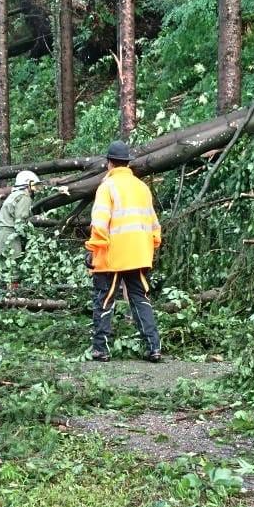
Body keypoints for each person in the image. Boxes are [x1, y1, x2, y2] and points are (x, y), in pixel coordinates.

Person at [85, 141, 162, 362]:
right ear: (127, 163)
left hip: (112, 255)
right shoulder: (142, 187)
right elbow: (154, 225)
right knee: (139, 298)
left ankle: (101, 349)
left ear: (109, 163)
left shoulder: (107, 187)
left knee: (104, 299)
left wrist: (93, 250)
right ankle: (154, 347)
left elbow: (100, 224)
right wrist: (148, 248)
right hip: (139, 254)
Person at [0, 170, 39, 291]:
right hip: (9, 234)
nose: (36, 188)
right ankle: (14, 296)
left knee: (5, 267)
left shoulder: (14, 195)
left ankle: (5, 294)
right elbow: (20, 221)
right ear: (27, 184)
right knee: (14, 267)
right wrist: (30, 238)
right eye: (34, 184)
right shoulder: (24, 197)